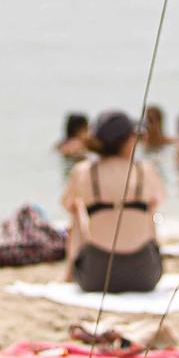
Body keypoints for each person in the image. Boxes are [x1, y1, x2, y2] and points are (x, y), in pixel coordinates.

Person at [62, 110, 165, 294]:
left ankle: (68, 272)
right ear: (126, 140)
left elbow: (66, 203)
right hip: (145, 276)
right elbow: (160, 199)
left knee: (76, 208)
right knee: (150, 208)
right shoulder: (144, 170)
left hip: (95, 277)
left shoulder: (83, 171)